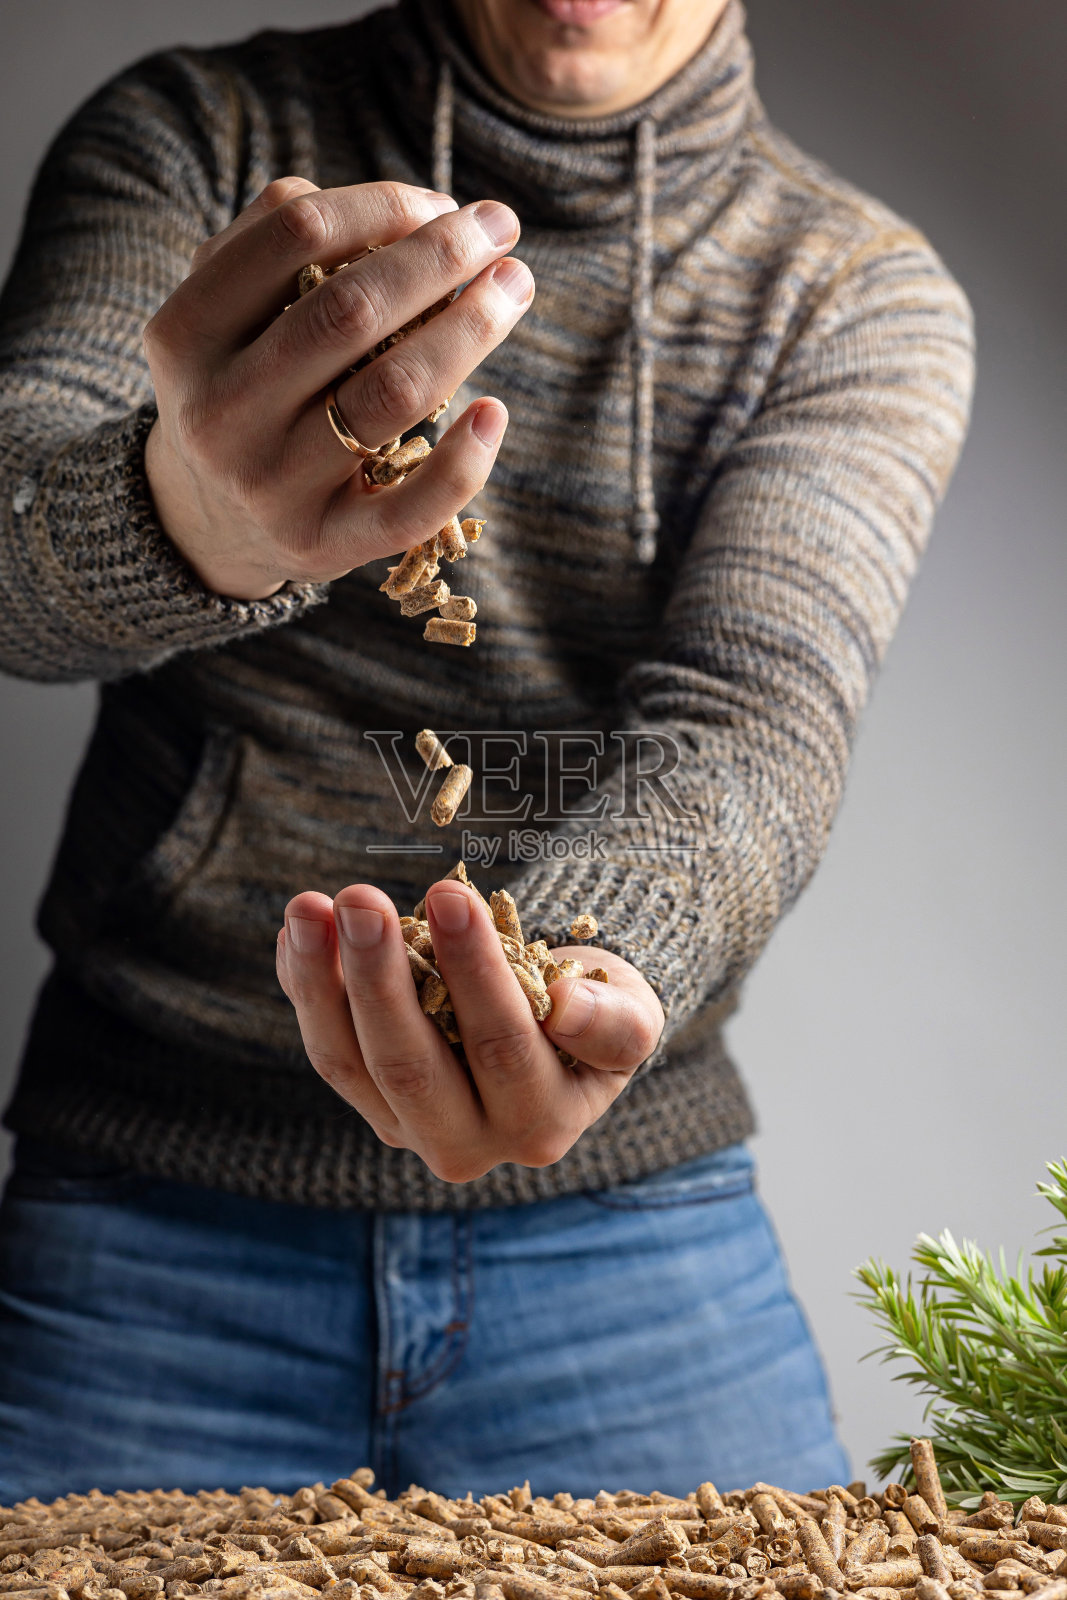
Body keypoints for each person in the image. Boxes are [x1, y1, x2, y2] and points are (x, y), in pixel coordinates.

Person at [0, 0, 974, 1502]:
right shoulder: (206, 142)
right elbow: (14, 546)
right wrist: (185, 516)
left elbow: (755, 712)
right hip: (148, 1193)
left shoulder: (854, 291)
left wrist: (588, 964)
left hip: (623, 1214)